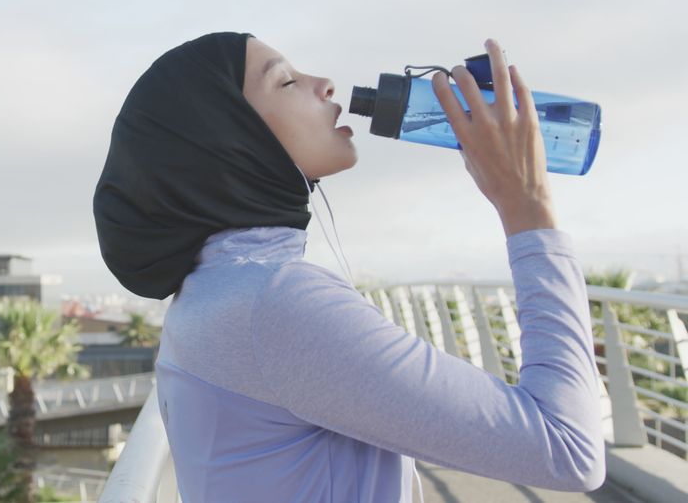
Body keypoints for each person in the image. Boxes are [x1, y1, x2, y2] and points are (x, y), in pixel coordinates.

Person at [92, 32, 605, 502]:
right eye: (286, 81)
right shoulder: (275, 305)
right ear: (229, 137)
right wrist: (528, 204)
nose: (325, 85)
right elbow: (567, 447)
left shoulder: (214, 293)